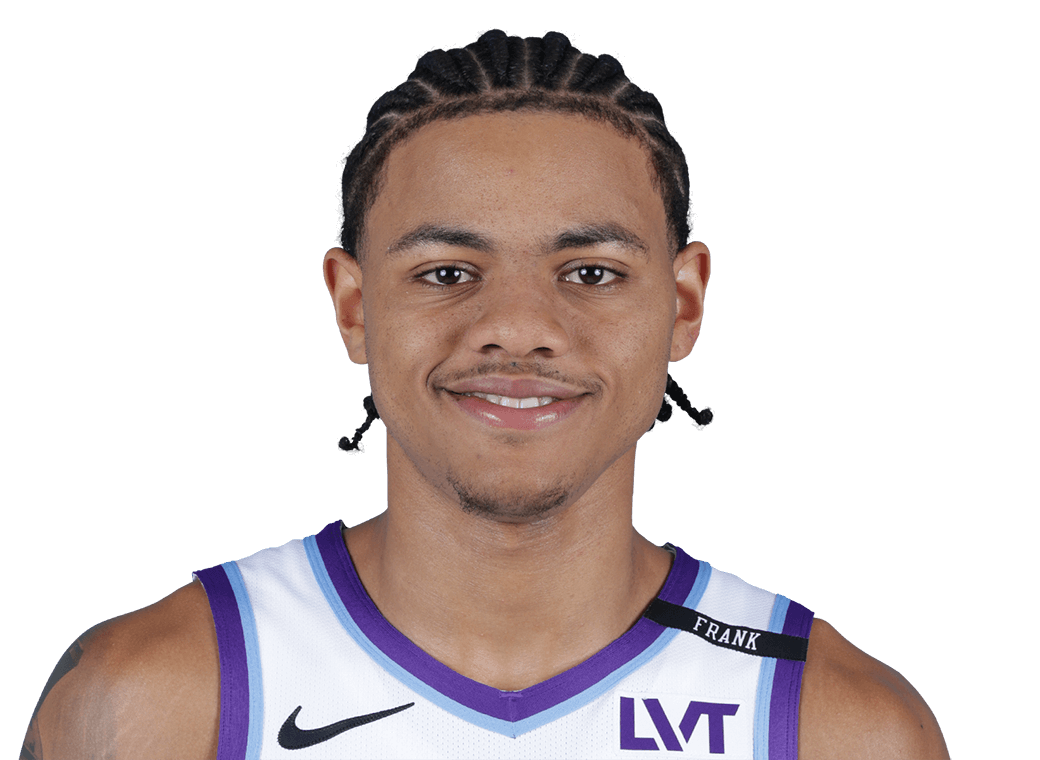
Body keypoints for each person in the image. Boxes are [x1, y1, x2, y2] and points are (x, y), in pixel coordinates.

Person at [22, 30, 948, 759]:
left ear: (683, 305)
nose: (517, 327)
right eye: (447, 272)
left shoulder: (837, 726)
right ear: (353, 308)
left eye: (590, 273)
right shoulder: (159, 697)